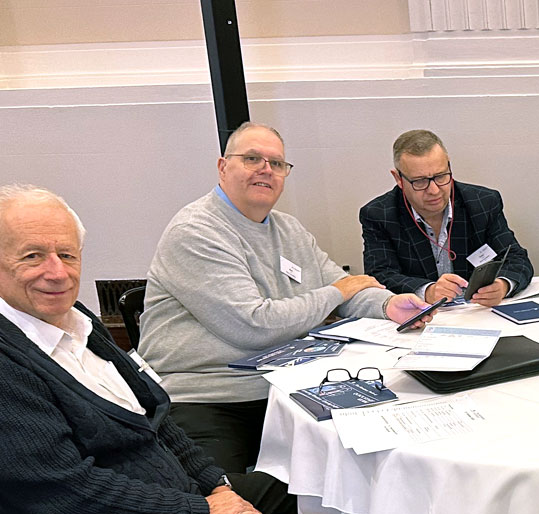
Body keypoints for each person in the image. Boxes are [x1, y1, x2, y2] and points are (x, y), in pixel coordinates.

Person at [0, 185, 340, 514]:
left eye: (67, 255)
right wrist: (198, 511)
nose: (57, 273)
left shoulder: (72, 319)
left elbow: (155, 418)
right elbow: (68, 495)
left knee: (319, 489)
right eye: (33, 256)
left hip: (154, 509)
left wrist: (214, 483)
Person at [140, 122, 432, 473]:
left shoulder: (289, 229)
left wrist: (387, 305)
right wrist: (337, 292)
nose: (266, 169)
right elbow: (254, 325)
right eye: (252, 159)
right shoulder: (196, 231)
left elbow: (346, 287)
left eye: (277, 163)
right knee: (223, 501)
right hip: (210, 398)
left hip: (286, 385)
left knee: (378, 457)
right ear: (222, 167)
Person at [360, 129, 534, 307]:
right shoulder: (379, 215)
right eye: (419, 181)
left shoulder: (483, 203)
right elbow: (380, 275)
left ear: (449, 166)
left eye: (441, 176)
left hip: (476, 314)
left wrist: (503, 285)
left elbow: (516, 258)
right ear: (398, 178)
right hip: (419, 318)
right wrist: (427, 291)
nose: (434, 190)